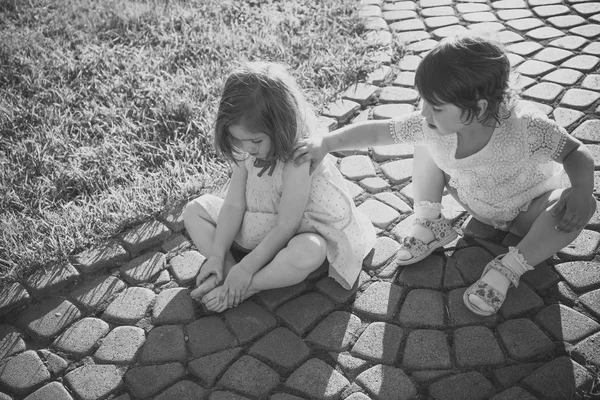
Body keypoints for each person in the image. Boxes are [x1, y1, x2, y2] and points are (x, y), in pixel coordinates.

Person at [292, 32, 596, 316]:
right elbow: (379, 131)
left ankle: (509, 268)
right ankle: (430, 222)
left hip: (528, 214)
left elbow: (574, 152)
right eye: (424, 102)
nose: (424, 113)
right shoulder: (432, 125)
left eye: (435, 106)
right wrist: (329, 142)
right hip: (476, 201)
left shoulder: (526, 128)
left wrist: (581, 191)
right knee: (426, 142)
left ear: (477, 108)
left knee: (575, 209)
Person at [183, 62, 376, 313]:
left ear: (281, 126)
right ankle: (228, 272)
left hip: (290, 235)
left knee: (311, 252)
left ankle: (249, 286)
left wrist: (248, 269)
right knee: (194, 210)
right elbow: (233, 204)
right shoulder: (246, 150)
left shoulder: (298, 160)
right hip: (255, 223)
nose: (248, 148)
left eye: (256, 140)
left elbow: (286, 226)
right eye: (238, 139)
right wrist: (218, 254)